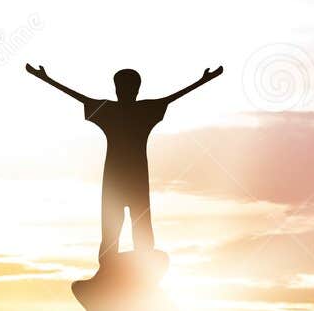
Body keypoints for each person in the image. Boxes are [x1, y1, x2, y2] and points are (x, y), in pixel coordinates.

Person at [26, 63, 223, 259]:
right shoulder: (142, 110)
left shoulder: (111, 110)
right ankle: (119, 263)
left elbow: (79, 97)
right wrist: (203, 80)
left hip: (119, 178)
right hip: (128, 178)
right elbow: (173, 97)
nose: (124, 91)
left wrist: (45, 78)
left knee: (128, 222)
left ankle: (130, 261)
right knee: (128, 222)